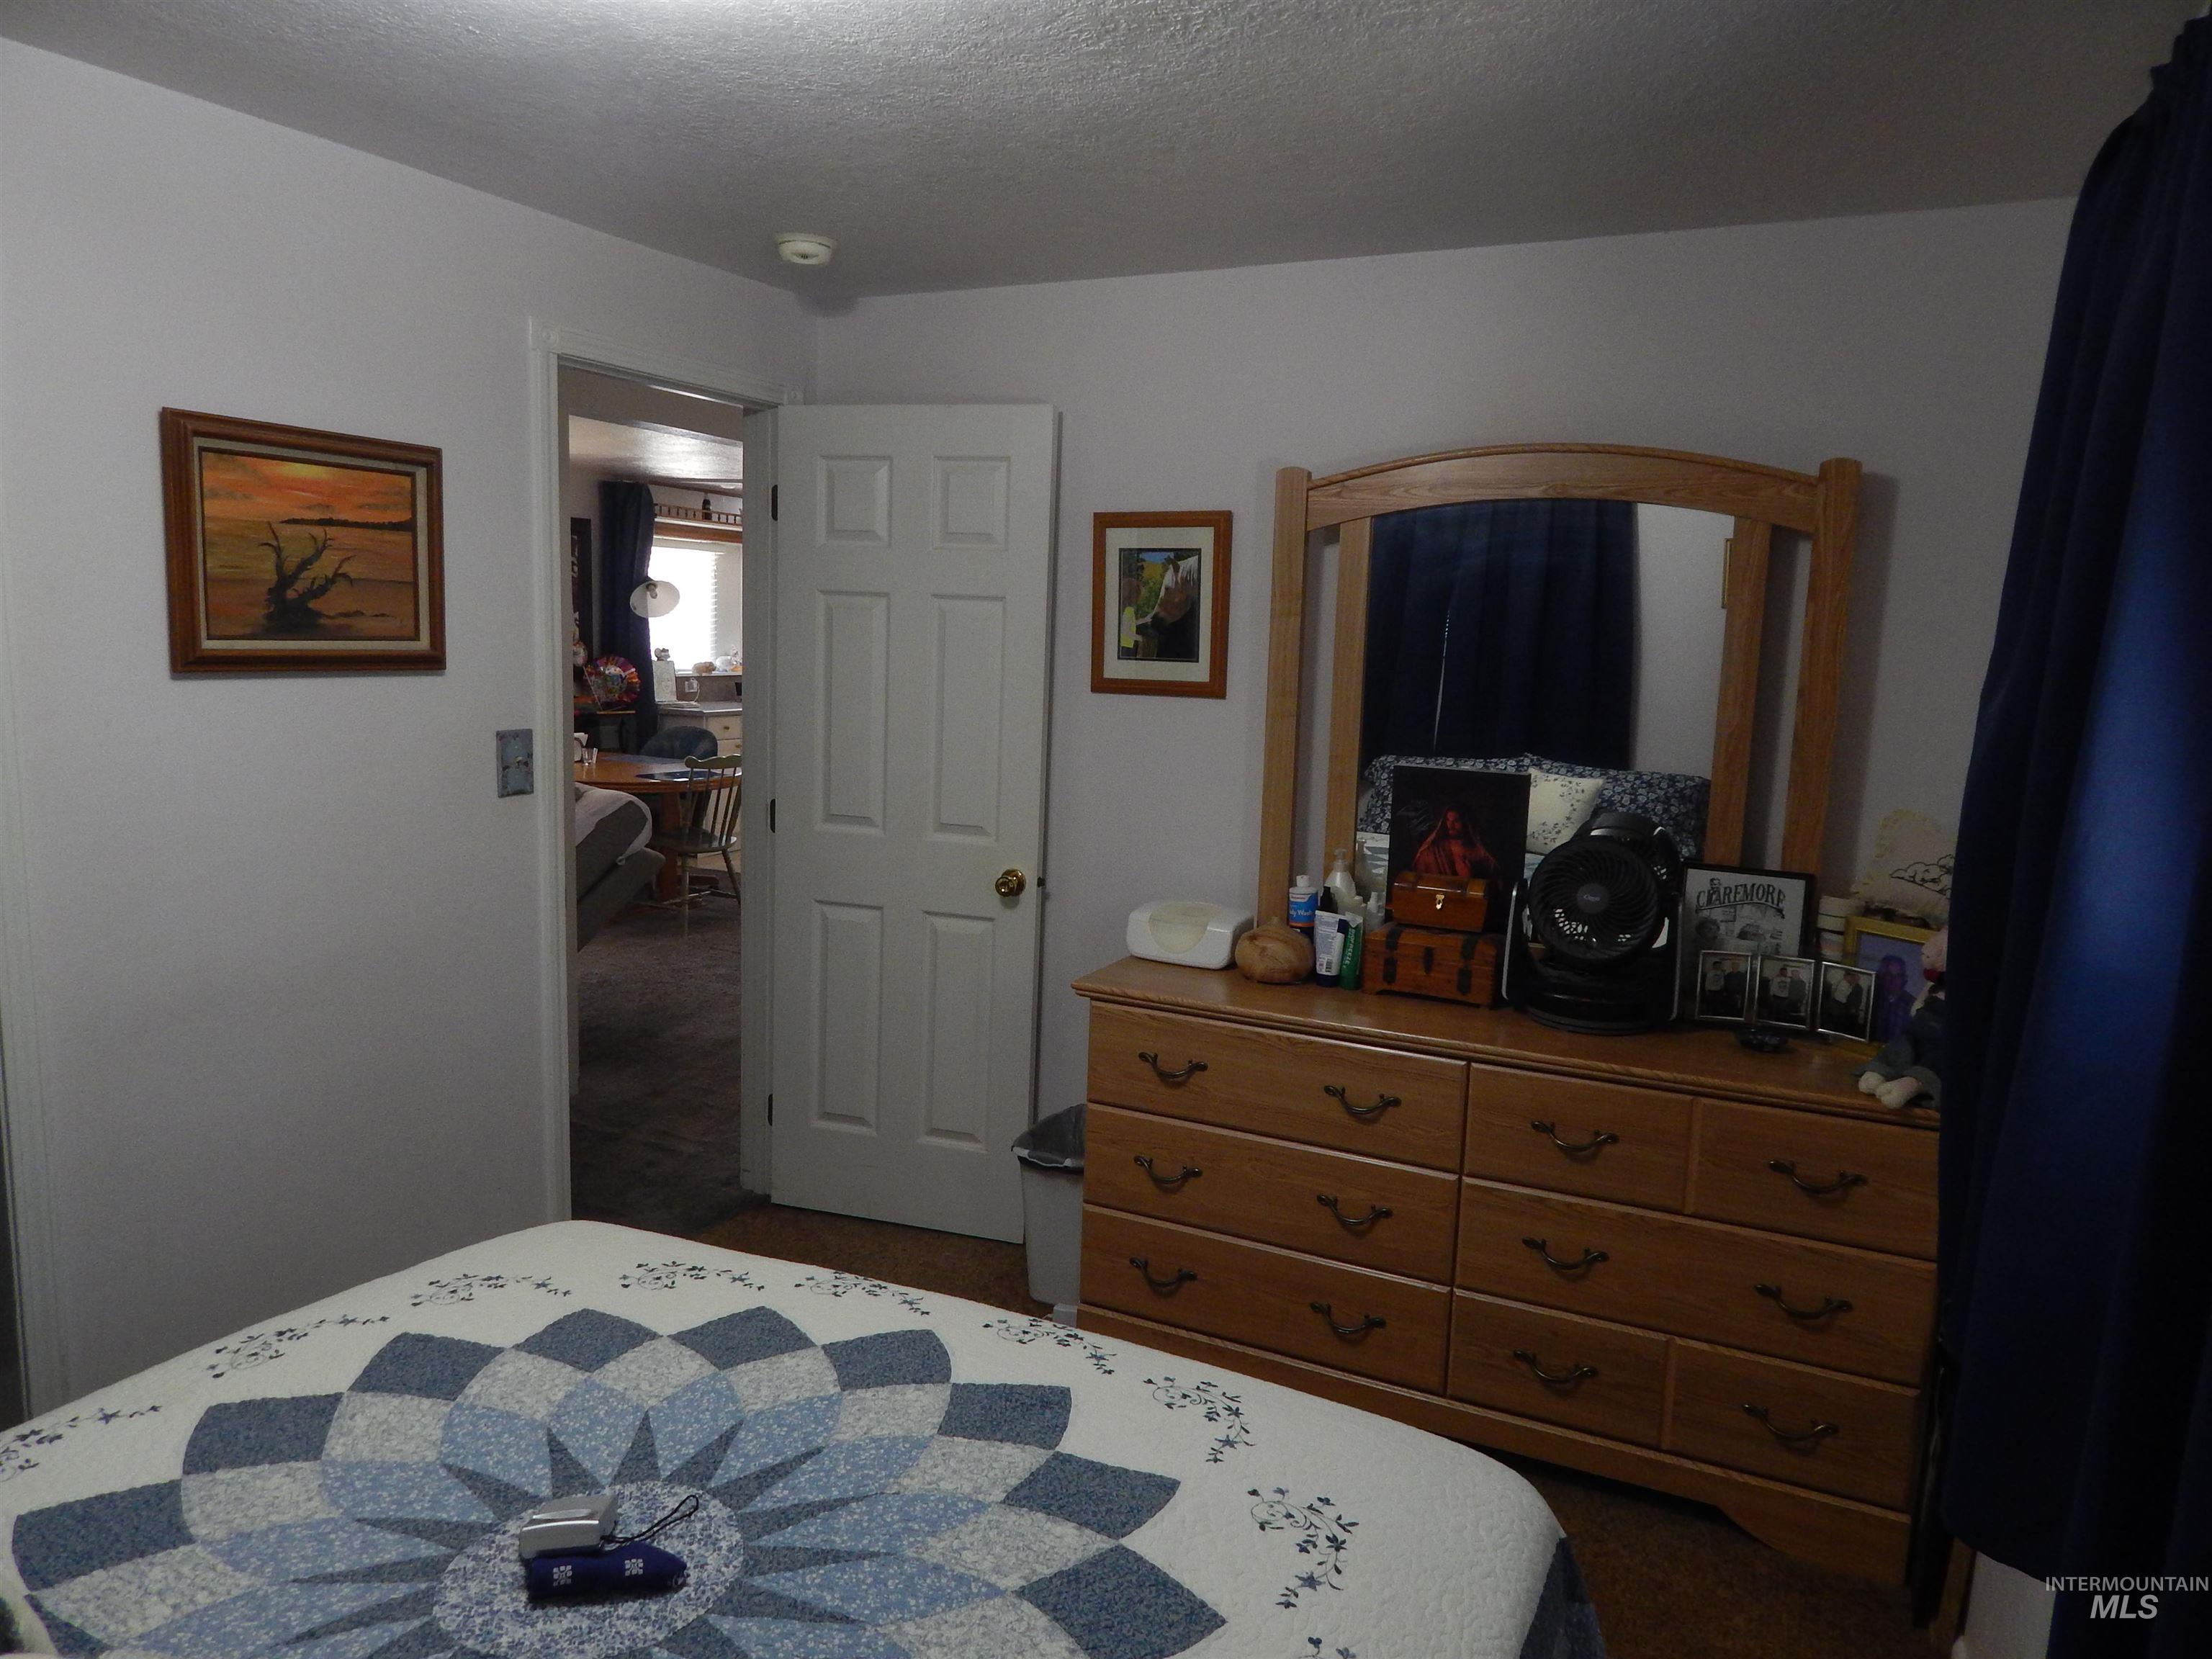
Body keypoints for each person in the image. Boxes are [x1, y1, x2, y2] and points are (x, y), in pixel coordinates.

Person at [1410, 804, 1503, 886]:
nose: (1451, 825)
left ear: (1467, 823)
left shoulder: (1481, 852)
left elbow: (1495, 883)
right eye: (1448, 820)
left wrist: (1472, 876)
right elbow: (1417, 879)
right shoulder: (1434, 851)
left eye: (1456, 821)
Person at [1869, 953, 1916, 1044]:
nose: (1892, 980)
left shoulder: (1912, 1005)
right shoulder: (1872, 998)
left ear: (1904, 979)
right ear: (1881, 977)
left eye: (1898, 975)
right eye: (1888, 975)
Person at [1821, 966, 1866, 1035]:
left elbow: (1856, 999)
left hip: (1846, 1006)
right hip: (1838, 1005)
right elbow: (1841, 996)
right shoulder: (1843, 984)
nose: (1855, 980)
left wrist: (1854, 1007)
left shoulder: (1857, 988)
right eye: (1853, 977)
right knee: (1835, 1019)